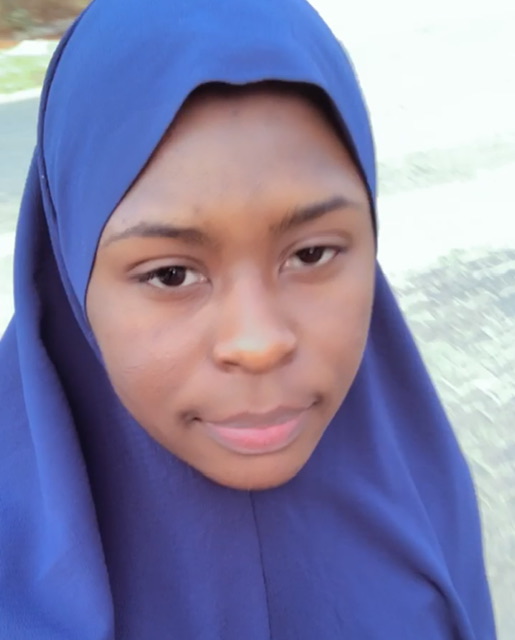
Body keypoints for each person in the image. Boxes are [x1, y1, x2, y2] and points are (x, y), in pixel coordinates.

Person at [0, 0, 496, 638]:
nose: (258, 343)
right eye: (170, 274)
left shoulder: (424, 493)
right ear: (69, 272)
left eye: (311, 254)